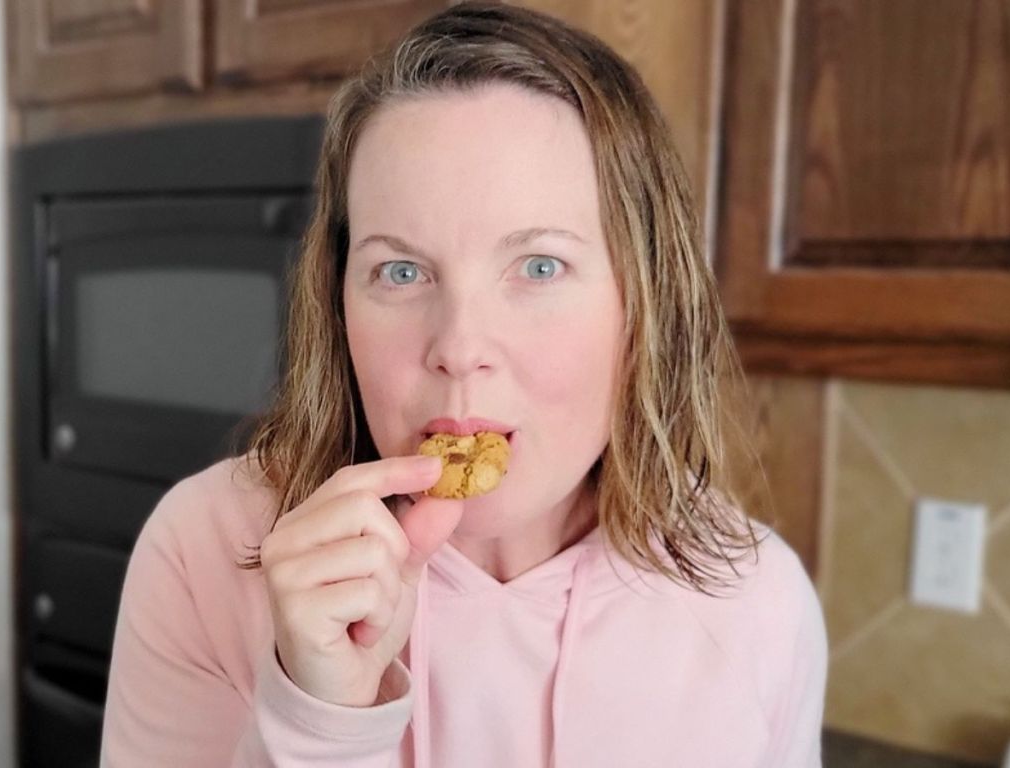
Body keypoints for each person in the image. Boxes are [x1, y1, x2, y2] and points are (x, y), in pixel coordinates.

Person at [100, 2, 828, 766]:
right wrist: (323, 721)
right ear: (337, 296)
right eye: (401, 271)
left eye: (539, 266)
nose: (457, 348)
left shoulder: (755, 603)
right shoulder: (204, 551)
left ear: (644, 300)